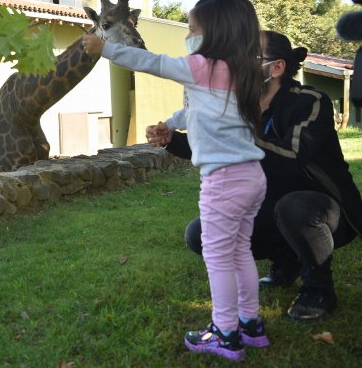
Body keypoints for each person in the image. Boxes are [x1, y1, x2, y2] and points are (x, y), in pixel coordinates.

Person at [83, 0, 268, 362]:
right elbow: (197, 110)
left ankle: (225, 333)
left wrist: (104, 48)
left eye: (192, 28)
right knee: (240, 251)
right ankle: (250, 324)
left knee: (217, 257)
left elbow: (152, 62)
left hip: (224, 182)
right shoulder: (244, 70)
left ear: (214, 31)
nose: (188, 35)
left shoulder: (202, 65)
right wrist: (169, 123)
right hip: (252, 178)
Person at [149, 30, 362, 322]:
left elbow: (292, 160)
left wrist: (235, 133)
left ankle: (319, 289)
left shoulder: (311, 101)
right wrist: (172, 138)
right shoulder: (239, 105)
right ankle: (284, 263)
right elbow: (212, 146)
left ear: (276, 68)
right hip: (269, 204)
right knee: (200, 234)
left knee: (293, 206)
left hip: (325, 212)